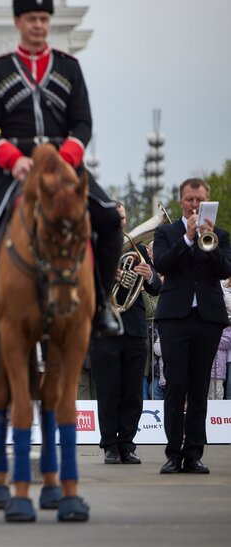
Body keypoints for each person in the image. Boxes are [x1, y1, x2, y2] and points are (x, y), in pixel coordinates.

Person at [0, 0, 122, 338]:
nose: (38, 25)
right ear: (18, 21)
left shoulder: (69, 67)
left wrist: (67, 157)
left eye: (44, 18)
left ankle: (103, 304)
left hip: (62, 161)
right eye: (32, 18)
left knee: (107, 218)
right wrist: (12, 159)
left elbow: (83, 122)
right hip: (12, 164)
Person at [154, 178, 231, 474]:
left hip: (208, 320)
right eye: (189, 199)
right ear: (180, 200)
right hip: (174, 318)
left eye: (199, 200)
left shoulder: (220, 235)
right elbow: (162, 264)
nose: (195, 205)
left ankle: (194, 454)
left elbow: (225, 269)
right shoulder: (166, 232)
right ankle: (173, 453)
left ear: (208, 201)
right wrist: (187, 238)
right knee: (176, 385)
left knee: (199, 388)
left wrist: (207, 242)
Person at [90, 202, 162, 465]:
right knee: (108, 391)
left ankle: (127, 445)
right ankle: (109, 444)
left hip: (133, 329)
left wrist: (149, 274)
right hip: (104, 329)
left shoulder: (139, 249)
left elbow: (155, 288)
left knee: (132, 392)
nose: (119, 222)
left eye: (121, 217)